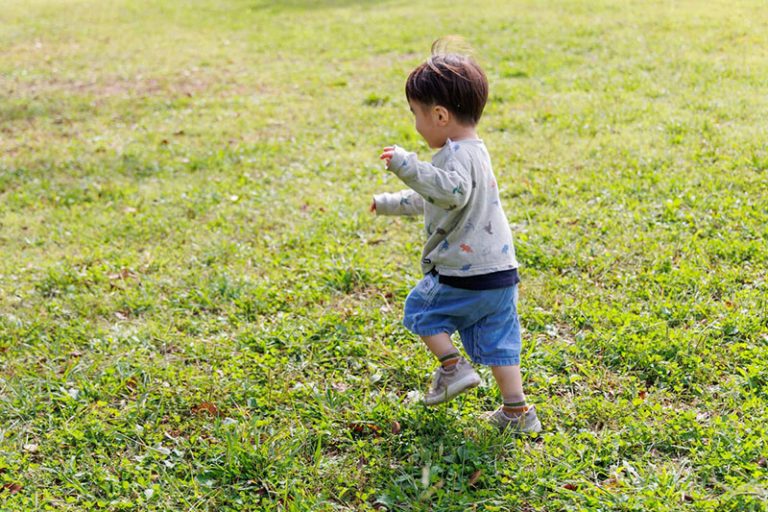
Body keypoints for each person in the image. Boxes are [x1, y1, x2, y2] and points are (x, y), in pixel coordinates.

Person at [371, 38, 541, 433]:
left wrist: (406, 166)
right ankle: (517, 412)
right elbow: (437, 198)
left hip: (465, 273)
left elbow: (448, 191)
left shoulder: (454, 157)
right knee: (500, 342)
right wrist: (390, 202)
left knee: (421, 311)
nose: (415, 123)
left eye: (416, 113)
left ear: (440, 115)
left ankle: (452, 367)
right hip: (500, 274)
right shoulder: (475, 151)